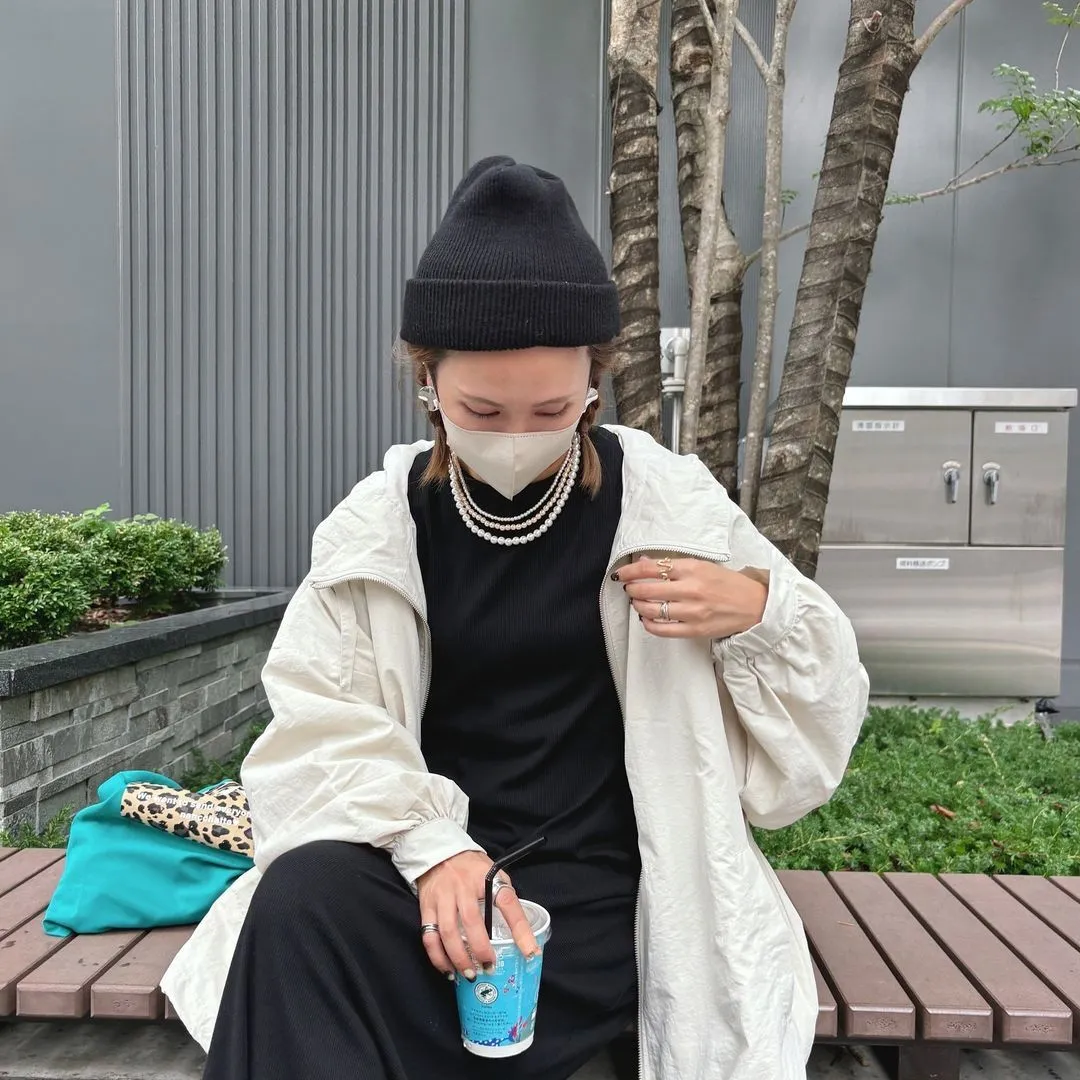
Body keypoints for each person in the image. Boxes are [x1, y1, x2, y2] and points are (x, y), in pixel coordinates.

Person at [161, 155, 869, 1080]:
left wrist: (758, 611)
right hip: (423, 869)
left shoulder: (666, 502)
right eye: (482, 408)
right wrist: (433, 852)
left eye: (551, 407)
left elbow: (808, 750)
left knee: (457, 999)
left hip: (601, 889)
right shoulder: (381, 525)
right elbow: (318, 726)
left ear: (593, 384)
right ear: (428, 380)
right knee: (301, 899)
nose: (516, 434)